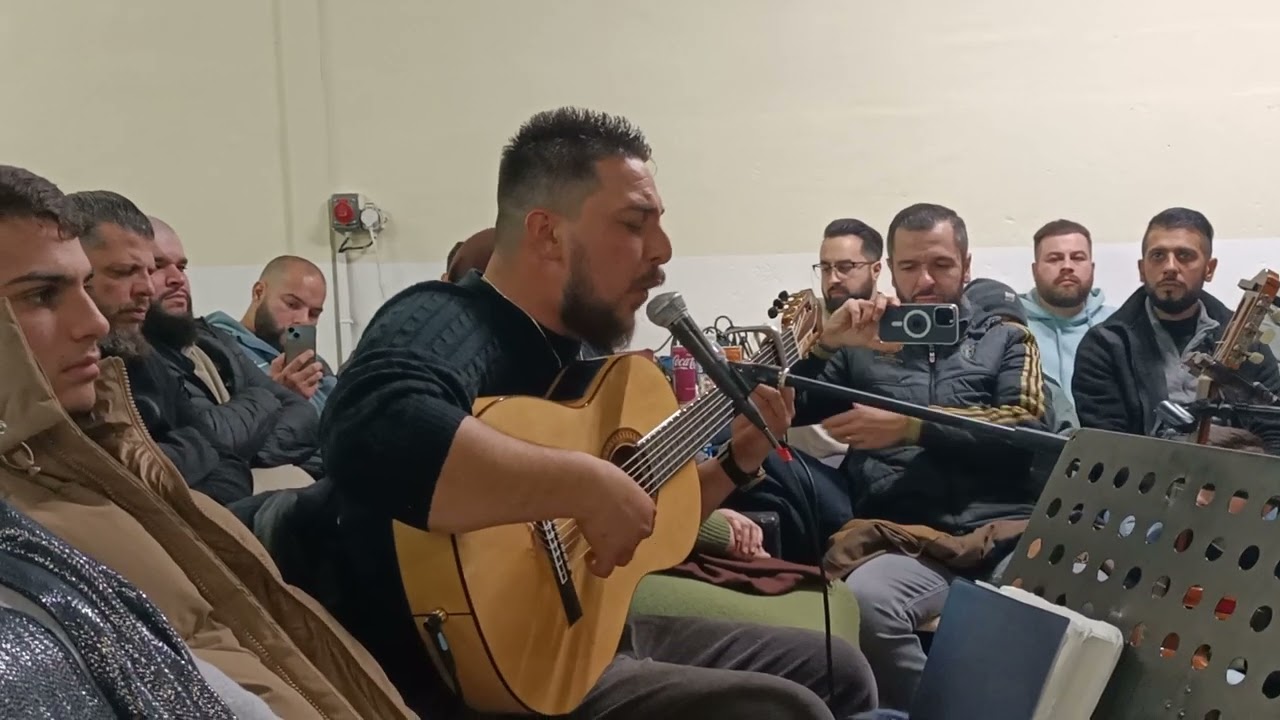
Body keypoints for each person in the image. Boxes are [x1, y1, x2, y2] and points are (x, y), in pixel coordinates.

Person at [321, 107, 877, 719]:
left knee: (840, 669)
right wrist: (586, 484)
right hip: (472, 674)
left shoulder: (581, 360)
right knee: (782, 711)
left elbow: (643, 513)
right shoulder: (448, 317)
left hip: (586, 636)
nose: (663, 250)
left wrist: (737, 463)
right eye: (635, 224)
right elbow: (372, 430)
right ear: (548, 234)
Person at [0, 164, 414, 718]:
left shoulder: (169, 367)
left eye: (171, 267)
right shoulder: (121, 390)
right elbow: (211, 444)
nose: (95, 320)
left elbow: (276, 421)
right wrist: (243, 426)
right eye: (42, 295)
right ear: (259, 291)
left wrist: (241, 425)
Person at [789, 202, 1050, 710]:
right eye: (909, 266)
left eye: (941, 264)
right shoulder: (860, 344)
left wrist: (914, 426)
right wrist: (825, 346)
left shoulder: (1006, 336)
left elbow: (1028, 426)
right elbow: (787, 411)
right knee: (866, 605)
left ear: (966, 265)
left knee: (1047, 610)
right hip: (905, 537)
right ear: (889, 269)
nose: (925, 280)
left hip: (1006, 530)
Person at [65, 190, 254, 507]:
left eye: (149, 271)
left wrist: (177, 465)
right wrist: (192, 450)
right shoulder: (57, 369)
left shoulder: (141, 353)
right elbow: (114, 483)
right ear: (74, 273)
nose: (147, 288)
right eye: (124, 272)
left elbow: (230, 464)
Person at [1073, 207, 1280, 452]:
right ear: (1142, 269)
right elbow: (1106, 445)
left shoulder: (1247, 341)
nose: (1170, 267)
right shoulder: (1104, 346)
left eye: (1184, 255)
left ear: (1209, 269)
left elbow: (1274, 433)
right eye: (1158, 255)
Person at [142, 220, 323, 478]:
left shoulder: (212, 339)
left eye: (182, 267)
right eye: (157, 266)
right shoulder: (141, 360)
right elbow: (210, 437)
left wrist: (245, 449)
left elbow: (304, 414)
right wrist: (266, 396)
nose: (177, 279)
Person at [203, 247, 337, 413]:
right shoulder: (216, 348)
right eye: (292, 304)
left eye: (314, 314)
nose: (303, 320)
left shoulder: (316, 365)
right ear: (259, 293)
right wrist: (278, 396)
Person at [1017, 219, 1115, 408]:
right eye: (1054, 259)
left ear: (1092, 267)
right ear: (1035, 270)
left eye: (1077, 258)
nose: (1067, 266)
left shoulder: (1118, 325)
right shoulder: (1014, 327)